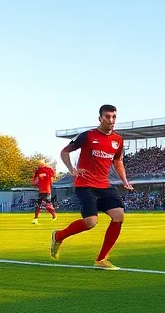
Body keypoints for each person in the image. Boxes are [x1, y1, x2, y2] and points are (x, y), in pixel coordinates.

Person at [51, 104, 133, 269]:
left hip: (104, 184)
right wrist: (72, 169)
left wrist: (124, 180)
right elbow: (64, 152)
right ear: (100, 118)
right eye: (107, 116)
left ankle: (101, 260)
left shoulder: (118, 140)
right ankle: (58, 236)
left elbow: (118, 161)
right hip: (85, 184)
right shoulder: (87, 135)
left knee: (119, 216)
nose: (111, 120)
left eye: (114, 117)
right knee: (90, 222)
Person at [31, 160, 57, 224]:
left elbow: (52, 178)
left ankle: (54, 215)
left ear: (44, 163)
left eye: (41, 164)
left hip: (47, 190)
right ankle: (35, 219)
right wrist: (36, 183)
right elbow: (34, 181)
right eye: (39, 164)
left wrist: (49, 183)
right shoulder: (37, 171)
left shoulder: (49, 169)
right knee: (38, 205)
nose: (40, 165)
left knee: (47, 206)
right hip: (41, 190)